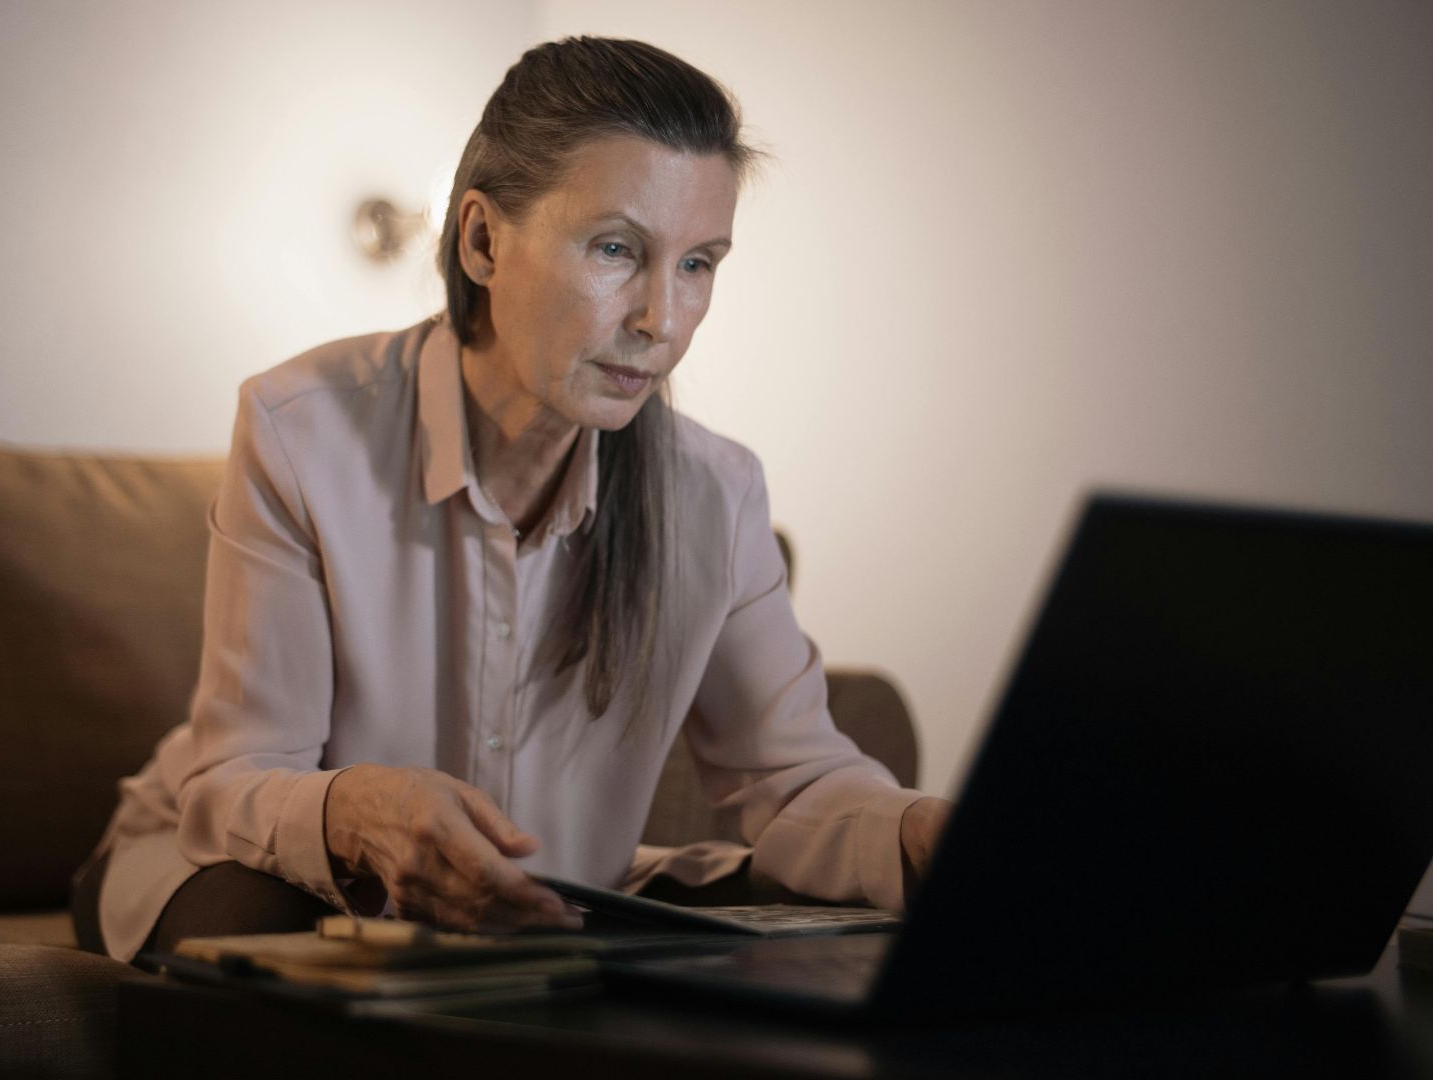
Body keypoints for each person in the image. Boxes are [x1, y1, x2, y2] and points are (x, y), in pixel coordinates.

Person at [71, 35, 952, 965]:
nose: (661, 318)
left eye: (699, 264)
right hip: (225, 871)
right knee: (284, 927)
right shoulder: (301, 430)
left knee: (818, 915)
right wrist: (356, 808)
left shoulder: (715, 495)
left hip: (537, 909)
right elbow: (236, 778)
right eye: (618, 249)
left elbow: (799, 781)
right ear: (484, 240)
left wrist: (930, 832)